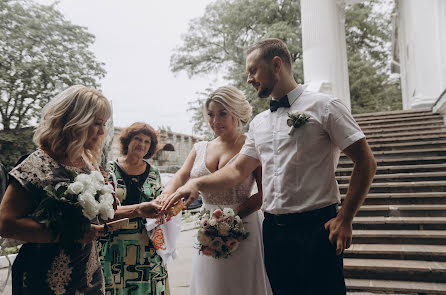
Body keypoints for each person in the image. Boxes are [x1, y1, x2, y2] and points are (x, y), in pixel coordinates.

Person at [162, 39, 377, 295]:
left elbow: (366, 162)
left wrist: (345, 218)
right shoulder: (259, 123)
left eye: (253, 71)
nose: (249, 79)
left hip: (316, 228)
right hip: (273, 233)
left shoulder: (325, 106)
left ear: (276, 65)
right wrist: (196, 183)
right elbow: (236, 171)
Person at [0, 86, 161, 294]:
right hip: (45, 279)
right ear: (74, 120)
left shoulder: (86, 162)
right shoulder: (35, 165)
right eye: (97, 124)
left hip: (88, 276)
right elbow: (5, 224)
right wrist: (68, 234)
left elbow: (99, 215)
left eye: (104, 125)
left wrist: (138, 210)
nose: (102, 132)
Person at [159, 86, 272, 295]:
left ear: (236, 113)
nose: (215, 120)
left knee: (241, 283)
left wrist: (232, 217)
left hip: (244, 225)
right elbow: (181, 176)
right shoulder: (200, 147)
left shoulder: (252, 146)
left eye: (222, 114)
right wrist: (165, 196)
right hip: (207, 226)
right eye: (210, 114)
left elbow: (265, 193)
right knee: (210, 283)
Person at [98, 122, 170, 294]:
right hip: (113, 246)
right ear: (127, 141)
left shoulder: (154, 173)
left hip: (147, 246)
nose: (142, 144)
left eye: (147, 142)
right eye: (138, 139)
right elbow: (102, 209)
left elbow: (160, 202)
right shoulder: (108, 170)